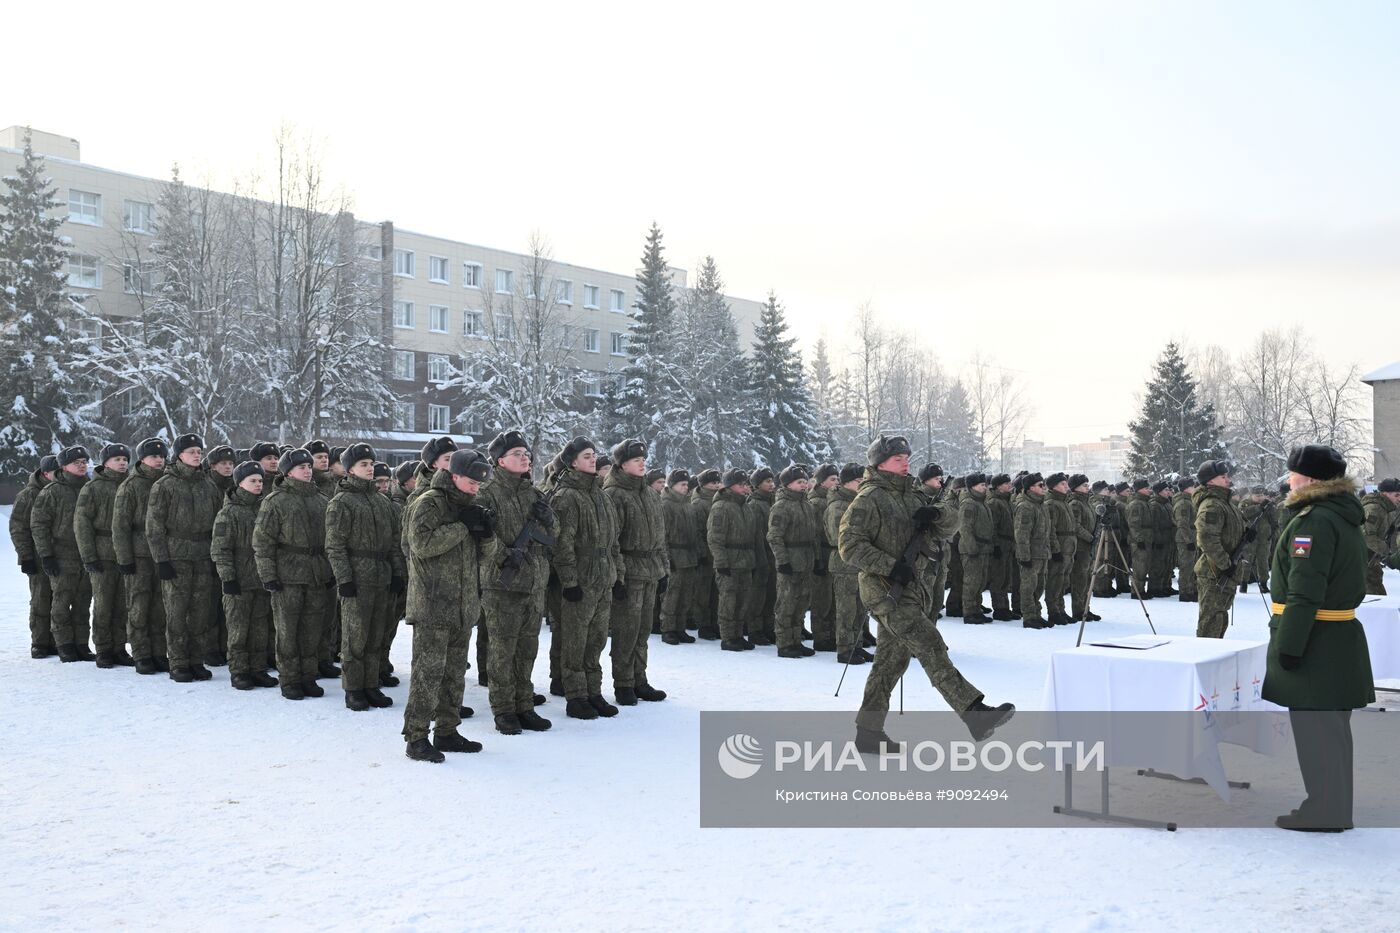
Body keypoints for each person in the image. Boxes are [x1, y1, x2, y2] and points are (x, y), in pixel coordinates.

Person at [839, 434, 1015, 752]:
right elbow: (849, 547)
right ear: (879, 463)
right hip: (884, 589)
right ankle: (973, 712)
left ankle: (868, 732)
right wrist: (891, 566)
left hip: (913, 587)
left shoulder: (913, 494)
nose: (905, 461)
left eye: (907, 457)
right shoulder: (868, 499)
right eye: (897, 458)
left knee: (890, 662)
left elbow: (950, 524)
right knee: (930, 643)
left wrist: (936, 515)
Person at [1263, 444, 1374, 832]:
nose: (1289, 480)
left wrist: (1289, 647)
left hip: (1316, 641)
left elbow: (1305, 591)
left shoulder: (1314, 521)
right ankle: (1331, 806)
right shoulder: (1341, 515)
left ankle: (1324, 811)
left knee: (1316, 733)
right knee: (1331, 733)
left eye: (1293, 474)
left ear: (1309, 479)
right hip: (1334, 637)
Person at [402, 448, 497, 762]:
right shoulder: (429, 502)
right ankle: (416, 737)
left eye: (479, 483)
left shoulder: (469, 506)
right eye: (471, 481)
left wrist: (486, 534)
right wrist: (461, 527)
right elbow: (421, 545)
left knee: (455, 673)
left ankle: (447, 730)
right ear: (454, 476)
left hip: (462, 604)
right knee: (427, 674)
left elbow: (484, 557)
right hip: (432, 604)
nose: (476, 487)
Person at [478, 430, 554, 733]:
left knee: (528, 649)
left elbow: (552, 538)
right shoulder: (487, 493)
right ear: (499, 460)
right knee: (502, 650)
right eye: (516, 454)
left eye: (526, 454)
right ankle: (503, 708)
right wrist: (504, 555)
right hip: (502, 584)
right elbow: (483, 537)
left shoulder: (534, 494)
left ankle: (524, 704)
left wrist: (549, 518)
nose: (524, 458)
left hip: (533, 583)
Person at [325, 443, 406, 712]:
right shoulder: (342, 502)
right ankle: (353, 687)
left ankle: (371, 684)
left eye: (371, 464)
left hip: (381, 576)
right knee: (355, 637)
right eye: (364, 464)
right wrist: (344, 579)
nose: (370, 468)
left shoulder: (382, 503)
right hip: (358, 578)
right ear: (349, 469)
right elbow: (335, 545)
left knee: (376, 635)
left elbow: (395, 543)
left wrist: (396, 573)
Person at [549, 436, 622, 719]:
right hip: (579, 581)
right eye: (586, 456)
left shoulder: (601, 496)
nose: (593, 459)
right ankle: (576, 695)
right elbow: (562, 544)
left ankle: (594, 691)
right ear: (572, 462)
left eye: (594, 455)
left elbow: (613, 541)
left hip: (602, 578)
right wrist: (569, 582)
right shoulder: (566, 496)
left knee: (596, 640)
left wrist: (617, 575)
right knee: (574, 641)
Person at [254, 447, 334, 700]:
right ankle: (289, 678)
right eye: (302, 467)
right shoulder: (275, 501)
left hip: (316, 574)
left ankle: (308, 676)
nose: (308, 470)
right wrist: (268, 575)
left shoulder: (321, 500)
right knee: (288, 630)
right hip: (287, 575)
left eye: (309, 467)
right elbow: (262, 542)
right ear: (288, 472)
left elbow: (331, 540)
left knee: (312, 629)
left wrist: (329, 570)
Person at [603, 439, 669, 704]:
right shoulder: (614, 494)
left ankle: (639, 678)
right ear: (622, 464)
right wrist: (618, 576)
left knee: (643, 629)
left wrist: (664, 569)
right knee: (626, 630)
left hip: (650, 569)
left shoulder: (650, 495)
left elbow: (661, 537)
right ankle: (623, 683)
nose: (642, 463)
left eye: (643, 459)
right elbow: (612, 540)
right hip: (629, 570)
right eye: (635, 460)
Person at [211, 461, 277, 690]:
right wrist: (228, 578)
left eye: (260, 480)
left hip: (261, 580)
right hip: (239, 581)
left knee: (260, 628)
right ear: (240, 483)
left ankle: (258, 668)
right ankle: (239, 671)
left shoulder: (266, 509)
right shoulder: (228, 513)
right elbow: (220, 549)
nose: (259, 484)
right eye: (253, 481)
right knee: (239, 629)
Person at [31, 445, 95, 662]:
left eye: (84, 462)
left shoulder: (91, 487)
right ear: (64, 466)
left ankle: (81, 644)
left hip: (87, 554)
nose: (81, 465)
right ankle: (64, 644)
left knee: (83, 601)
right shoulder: (52, 491)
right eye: (76, 462)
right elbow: (39, 525)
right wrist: (46, 555)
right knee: (61, 601)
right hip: (62, 553)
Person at [75, 443, 134, 667]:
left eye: (125, 459)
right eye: (117, 459)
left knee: (122, 604)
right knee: (103, 603)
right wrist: (89, 556)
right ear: (106, 462)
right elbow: (82, 524)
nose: (122, 463)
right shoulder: (93, 488)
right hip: (103, 554)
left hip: (127, 554)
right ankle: (103, 648)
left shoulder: (130, 485)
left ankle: (119, 647)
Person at [113, 438, 169, 673]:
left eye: (161, 456)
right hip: (139, 554)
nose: (159, 460)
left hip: (163, 554)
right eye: (153, 456)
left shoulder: (168, 483)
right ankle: (141, 653)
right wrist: (125, 559)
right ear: (143, 459)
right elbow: (120, 526)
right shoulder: (131, 485)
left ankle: (158, 651)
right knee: (138, 605)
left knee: (160, 606)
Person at [10, 454, 59, 658]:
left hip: (60, 555)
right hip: (37, 556)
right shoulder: (29, 495)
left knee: (60, 599)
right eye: (58, 472)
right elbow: (18, 528)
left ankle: (57, 640)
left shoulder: (61, 492)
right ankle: (40, 642)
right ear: (46, 473)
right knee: (41, 599)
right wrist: (26, 556)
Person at [768, 464, 819, 657]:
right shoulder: (781, 507)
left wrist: (817, 559)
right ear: (788, 484)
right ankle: (784, 643)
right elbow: (774, 536)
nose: (804, 485)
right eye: (799, 482)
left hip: (806, 561)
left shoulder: (806, 505)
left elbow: (814, 536)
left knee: (801, 604)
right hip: (790, 561)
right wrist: (783, 561)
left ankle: (796, 640)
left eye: (805, 481)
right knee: (786, 604)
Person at [1192, 459, 1247, 638]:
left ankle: (1215, 655)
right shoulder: (1212, 505)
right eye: (1222, 476)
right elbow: (1207, 539)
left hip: (1226, 569)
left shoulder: (1226, 503)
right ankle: (1205, 656)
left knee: (1220, 616)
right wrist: (1225, 563)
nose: (1227, 479)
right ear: (1210, 481)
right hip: (1214, 572)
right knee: (1211, 620)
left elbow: (1230, 531)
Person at [708, 468, 759, 652]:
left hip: (745, 561)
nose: (745, 488)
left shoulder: (745, 506)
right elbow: (715, 538)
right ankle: (728, 636)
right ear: (730, 486)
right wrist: (721, 563)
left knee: (743, 600)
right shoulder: (721, 507)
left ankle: (737, 634)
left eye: (746, 484)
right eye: (741, 484)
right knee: (728, 601)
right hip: (729, 561)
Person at [826, 463, 870, 663]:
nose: (862, 485)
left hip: (859, 562)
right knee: (846, 608)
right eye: (858, 481)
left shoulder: (858, 502)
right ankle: (845, 648)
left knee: (860, 607)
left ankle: (857, 644)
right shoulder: (838, 506)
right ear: (846, 483)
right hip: (844, 563)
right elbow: (838, 536)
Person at [659, 469, 700, 645]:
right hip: (675, 556)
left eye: (686, 484)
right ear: (672, 485)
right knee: (671, 595)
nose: (685, 487)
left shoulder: (688, 505)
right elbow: (662, 536)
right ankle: (668, 629)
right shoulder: (665, 505)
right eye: (682, 484)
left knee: (685, 595)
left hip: (689, 556)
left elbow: (695, 533)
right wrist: (668, 559)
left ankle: (680, 627)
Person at [1012, 473, 1052, 629]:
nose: (1044, 488)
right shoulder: (1025, 506)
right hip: (1031, 554)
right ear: (1031, 488)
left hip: (1042, 553)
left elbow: (1048, 531)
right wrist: (1024, 556)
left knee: (1039, 586)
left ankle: (1037, 613)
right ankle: (1029, 616)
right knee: (1028, 587)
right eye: (1041, 485)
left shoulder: (1041, 505)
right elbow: (1021, 534)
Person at [956, 472, 995, 625]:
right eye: (982, 485)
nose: (985, 487)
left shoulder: (981, 502)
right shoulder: (969, 503)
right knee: (971, 582)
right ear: (973, 487)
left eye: (985, 485)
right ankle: (970, 612)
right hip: (972, 550)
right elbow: (965, 528)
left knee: (980, 581)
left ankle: (976, 609)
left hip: (983, 549)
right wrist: (971, 548)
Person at [808, 463, 839, 650]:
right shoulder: (815, 503)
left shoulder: (831, 500)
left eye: (837, 479)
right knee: (822, 599)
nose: (836, 482)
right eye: (832, 479)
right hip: (822, 553)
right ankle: (821, 636)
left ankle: (831, 633)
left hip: (832, 554)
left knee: (833, 598)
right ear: (821, 482)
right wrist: (818, 559)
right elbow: (814, 535)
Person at [690, 468, 723, 639]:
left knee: (716, 591)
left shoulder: (719, 501)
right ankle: (704, 624)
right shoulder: (698, 504)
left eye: (718, 482)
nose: (717, 486)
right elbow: (696, 531)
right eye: (712, 483)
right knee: (703, 591)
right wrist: (702, 552)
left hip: (718, 554)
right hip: (705, 555)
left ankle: (715, 622)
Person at [747, 467, 778, 643]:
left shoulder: (771, 502)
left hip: (773, 554)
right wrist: (760, 559)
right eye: (767, 481)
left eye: (772, 481)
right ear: (758, 484)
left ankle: (769, 626)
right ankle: (755, 629)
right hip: (762, 554)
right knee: (758, 595)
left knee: (772, 594)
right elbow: (757, 534)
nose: (771, 484)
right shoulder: (755, 505)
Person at [1067, 474, 1098, 622]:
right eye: (1084, 485)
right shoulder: (1075, 503)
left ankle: (1086, 608)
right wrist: (1090, 537)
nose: (1087, 487)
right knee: (1079, 580)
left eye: (1087, 484)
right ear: (1076, 487)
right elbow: (1076, 526)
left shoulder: (1087, 502)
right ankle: (1078, 610)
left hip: (1088, 547)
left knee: (1086, 579)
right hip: (1080, 547)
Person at [1360, 478, 1399, 595]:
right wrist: (1387, 552)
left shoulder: (1386, 508)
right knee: (1373, 598)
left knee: (1377, 595)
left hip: (1371, 561)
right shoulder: (1374, 508)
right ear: (1384, 494)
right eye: (1397, 495)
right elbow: (1366, 536)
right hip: (1362, 562)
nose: (1399, 499)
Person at [1173, 476, 1200, 602]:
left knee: (1193, 566)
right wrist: (1188, 540)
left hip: (1192, 537)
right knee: (1186, 566)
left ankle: (1191, 590)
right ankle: (1184, 592)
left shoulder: (1189, 501)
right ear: (1187, 488)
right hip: (1185, 539)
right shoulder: (1183, 503)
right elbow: (1182, 524)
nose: (1195, 488)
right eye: (1193, 486)